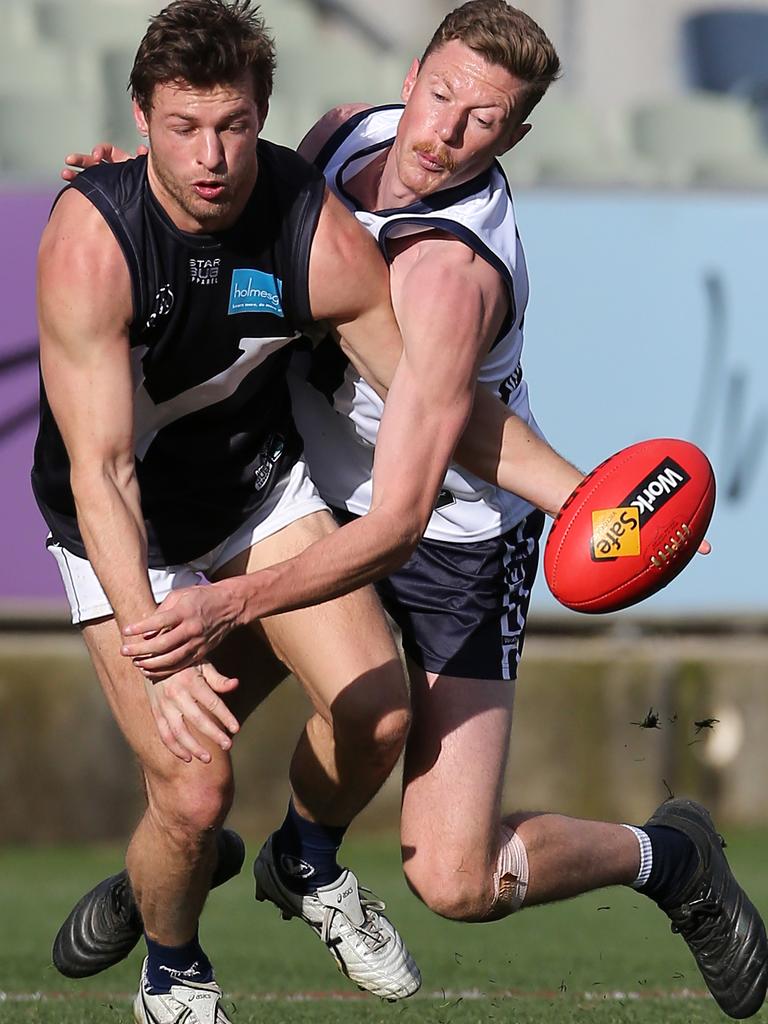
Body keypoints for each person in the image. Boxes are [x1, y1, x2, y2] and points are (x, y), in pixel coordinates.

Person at [53, 2, 763, 1021]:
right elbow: (259, 218)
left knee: (454, 877)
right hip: (305, 492)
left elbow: (406, 508)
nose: (443, 132)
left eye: (483, 121)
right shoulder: (350, 129)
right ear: (414, 70)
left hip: (442, 541)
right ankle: (195, 862)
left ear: (515, 136)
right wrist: (149, 198)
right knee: (190, 757)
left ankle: (671, 858)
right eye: (438, 94)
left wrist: (234, 600)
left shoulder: (448, 278)